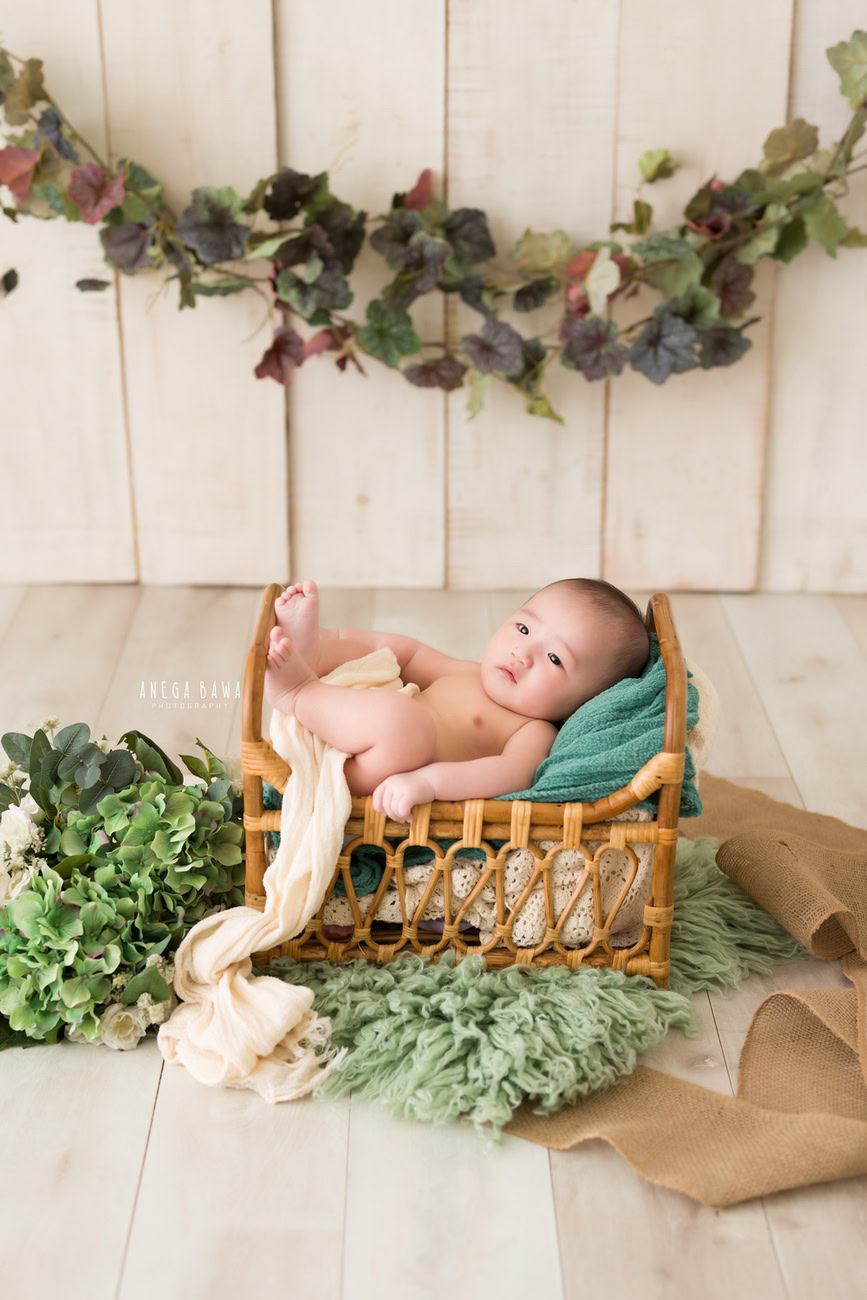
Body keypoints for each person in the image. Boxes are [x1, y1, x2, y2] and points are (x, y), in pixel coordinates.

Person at [264, 577, 650, 823]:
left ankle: (297, 692)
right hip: (349, 721)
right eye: (524, 627)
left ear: (587, 701)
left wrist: (427, 783)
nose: (522, 652)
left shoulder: (532, 731)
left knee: (407, 725)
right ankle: (313, 652)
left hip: (367, 774)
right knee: (386, 659)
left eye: (554, 659)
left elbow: (510, 774)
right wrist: (337, 635)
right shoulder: (470, 671)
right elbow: (406, 653)